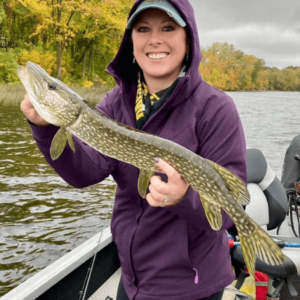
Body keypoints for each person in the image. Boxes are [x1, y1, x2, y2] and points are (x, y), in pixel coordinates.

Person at [21, 0, 247, 299]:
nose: (155, 39)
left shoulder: (215, 108)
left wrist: (185, 197)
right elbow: (86, 172)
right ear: (132, 42)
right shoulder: (115, 103)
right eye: (143, 29)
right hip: (133, 278)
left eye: (168, 28)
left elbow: (232, 209)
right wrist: (46, 127)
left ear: (188, 38)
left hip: (191, 285)